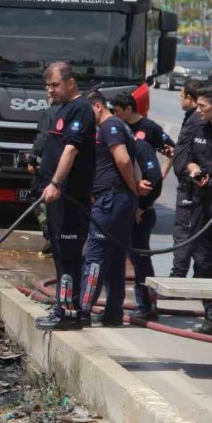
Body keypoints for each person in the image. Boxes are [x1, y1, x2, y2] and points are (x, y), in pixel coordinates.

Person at [77, 91, 150, 327]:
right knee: (117, 259)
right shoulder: (120, 126)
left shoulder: (110, 127)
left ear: (97, 106)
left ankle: (83, 309)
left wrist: (132, 187)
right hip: (121, 201)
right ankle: (113, 313)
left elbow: (124, 160)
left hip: (111, 200)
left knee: (95, 256)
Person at [36, 62, 97, 331]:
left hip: (70, 198)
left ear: (71, 82)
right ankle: (63, 307)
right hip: (58, 198)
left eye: (55, 85)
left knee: (69, 255)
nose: (51, 90)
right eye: (48, 85)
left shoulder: (81, 109)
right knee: (59, 253)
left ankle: (69, 314)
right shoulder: (63, 109)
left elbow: (71, 150)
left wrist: (56, 183)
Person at [173, 83, 212, 334]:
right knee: (202, 259)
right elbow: (187, 158)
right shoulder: (197, 126)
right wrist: (194, 171)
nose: (198, 110)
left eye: (202, 106)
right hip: (203, 199)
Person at [170, 79, 204, 278]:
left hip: (191, 188)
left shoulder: (196, 121)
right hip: (189, 185)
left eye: (181, 96)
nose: (179, 99)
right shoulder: (191, 118)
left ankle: (178, 277)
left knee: (185, 233)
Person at [128, 136, 163, 320]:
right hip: (121, 210)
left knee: (140, 260)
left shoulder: (139, 146)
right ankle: (114, 305)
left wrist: (141, 207)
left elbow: (155, 180)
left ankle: (147, 305)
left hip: (139, 215)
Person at [110, 91, 175, 178]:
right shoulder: (118, 126)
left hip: (144, 182)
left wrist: (161, 175)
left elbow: (172, 151)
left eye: (117, 111)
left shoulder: (151, 127)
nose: (115, 114)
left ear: (129, 109)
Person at [30, 104, 60, 255]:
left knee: (37, 196)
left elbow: (42, 138)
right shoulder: (75, 111)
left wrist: (32, 159)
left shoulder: (48, 113)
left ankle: (49, 234)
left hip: (49, 165)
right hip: (69, 166)